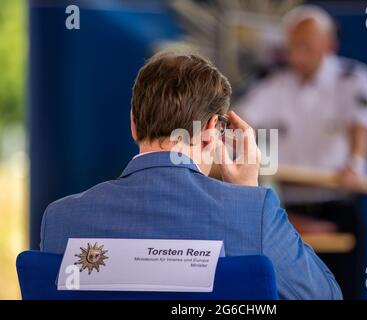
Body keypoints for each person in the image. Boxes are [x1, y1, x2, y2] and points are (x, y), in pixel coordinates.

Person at [39, 51, 342, 300]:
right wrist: (248, 191)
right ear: (212, 130)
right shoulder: (252, 213)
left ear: (133, 123)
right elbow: (324, 295)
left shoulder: (61, 219)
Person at [238, 5, 367, 299]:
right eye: (293, 46)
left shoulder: (352, 78)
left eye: (306, 46)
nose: (297, 53)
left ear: (329, 43)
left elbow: (361, 125)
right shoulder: (273, 84)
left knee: (342, 291)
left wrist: (356, 163)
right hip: (287, 211)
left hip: (337, 206)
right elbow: (240, 120)